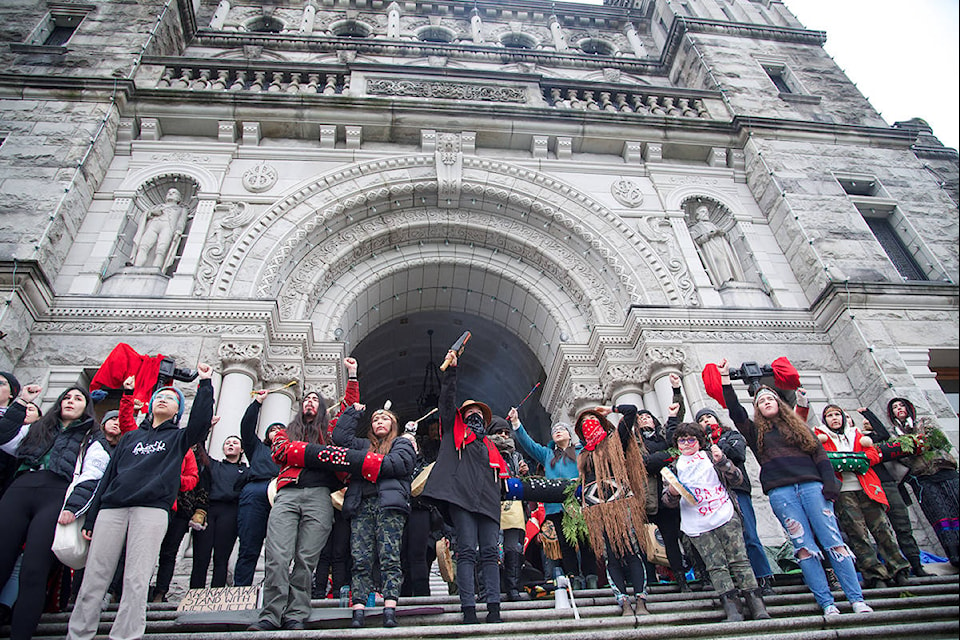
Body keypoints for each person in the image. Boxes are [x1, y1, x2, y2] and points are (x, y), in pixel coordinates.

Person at [66, 362, 215, 640]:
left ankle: (126, 635)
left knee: (136, 578)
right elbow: (108, 477)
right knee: (94, 578)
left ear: (177, 411)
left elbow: (200, 423)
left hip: (151, 510)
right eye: (160, 395)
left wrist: (205, 384)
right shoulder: (130, 437)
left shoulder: (180, 438)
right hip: (113, 508)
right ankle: (78, 634)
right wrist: (93, 514)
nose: (163, 398)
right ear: (150, 405)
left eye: (171, 398)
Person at [716, 358, 872, 616]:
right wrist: (725, 381)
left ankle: (856, 599)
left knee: (834, 542)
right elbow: (736, 412)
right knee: (804, 547)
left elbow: (820, 456)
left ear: (779, 403)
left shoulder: (801, 429)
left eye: (770, 399)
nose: (766, 402)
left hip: (812, 488)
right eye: (761, 402)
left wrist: (830, 485)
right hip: (782, 492)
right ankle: (827, 603)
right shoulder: (757, 433)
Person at [248, 358, 359, 631]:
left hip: (320, 497)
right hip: (287, 495)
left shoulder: (329, 431)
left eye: (315, 400)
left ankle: (296, 613)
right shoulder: (286, 432)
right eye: (306, 399)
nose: (310, 402)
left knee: (306, 559)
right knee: (277, 556)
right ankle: (270, 614)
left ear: (321, 408)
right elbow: (280, 452)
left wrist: (353, 375)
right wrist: (318, 455)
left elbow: (347, 408)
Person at [0, 383, 108, 640]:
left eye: (78, 398)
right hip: (21, 487)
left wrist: (73, 507)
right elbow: (4, 437)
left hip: (56, 496)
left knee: (34, 569)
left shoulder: (92, 436)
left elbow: (93, 474)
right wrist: (20, 403)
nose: (70, 401)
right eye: (66, 397)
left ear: (87, 407)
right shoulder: (36, 428)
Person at [419, 350, 510, 625]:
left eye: (478, 413)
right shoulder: (453, 433)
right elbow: (446, 403)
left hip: (488, 502)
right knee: (467, 551)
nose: (474, 415)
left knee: (491, 554)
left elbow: (502, 479)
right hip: (461, 501)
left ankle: (494, 607)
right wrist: (452, 372)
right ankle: (468, 607)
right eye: (469, 412)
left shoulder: (492, 447)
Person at [662, 422, 770, 622]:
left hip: (725, 514)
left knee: (740, 561)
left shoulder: (712, 456)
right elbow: (667, 502)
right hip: (697, 524)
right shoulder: (673, 468)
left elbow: (737, 480)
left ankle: (757, 605)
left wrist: (724, 462)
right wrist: (671, 492)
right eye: (682, 440)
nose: (686, 443)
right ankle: (732, 609)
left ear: (699, 441)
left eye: (691, 439)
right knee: (715, 566)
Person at [333, 403, 416, 628]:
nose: (379, 422)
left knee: (389, 556)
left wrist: (363, 463)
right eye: (375, 419)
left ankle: (390, 607)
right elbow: (339, 437)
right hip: (362, 504)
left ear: (393, 424)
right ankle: (359, 608)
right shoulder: (362, 445)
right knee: (360, 558)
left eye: (385, 418)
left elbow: (399, 464)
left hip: (389, 506)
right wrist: (353, 412)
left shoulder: (402, 443)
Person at [813, 404, 910, 588]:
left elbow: (873, 454)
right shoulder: (821, 438)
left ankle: (899, 570)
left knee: (883, 530)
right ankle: (875, 575)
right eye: (830, 415)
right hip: (844, 491)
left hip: (867, 488)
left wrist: (860, 460)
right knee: (858, 534)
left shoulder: (857, 434)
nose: (834, 418)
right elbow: (820, 459)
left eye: (837, 414)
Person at [575, 404, 652, 616]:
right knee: (611, 556)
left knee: (631, 550)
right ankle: (623, 601)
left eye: (591, 419)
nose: (587, 424)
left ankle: (641, 598)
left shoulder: (616, 440)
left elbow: (632, 411)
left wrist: (611, 408)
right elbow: (583, 483)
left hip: (621, 504)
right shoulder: (583, 454)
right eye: (583, 423)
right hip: (597, 509)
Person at [509, 409, 597, 591]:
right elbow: (529, 444)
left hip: (579, 503)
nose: (557, 431)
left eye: (562, 429)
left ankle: (591, 576)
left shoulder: (581, 451)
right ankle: (574, 576)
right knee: (565, 544)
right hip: (556, 506)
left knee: (584, 541)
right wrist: (516, 423)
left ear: (570, 435)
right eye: (555, 430)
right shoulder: (548, 455)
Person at [695, 407, 775, 595]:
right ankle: (739, 581)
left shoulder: (731, 436)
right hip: (716, 496)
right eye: (702, 419)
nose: (707, 421)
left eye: (709, 417)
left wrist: (717, 449)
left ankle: (763, 577)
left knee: (749, 535)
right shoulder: (700, 446)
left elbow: (738, 454)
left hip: (737, 490)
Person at [880, 397, 959, 567]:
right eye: (894, 407)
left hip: (945, 470)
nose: (899, 408)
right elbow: (900, 457)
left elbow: (938, 441)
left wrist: (914, 443)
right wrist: (909, 446)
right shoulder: (894, 434)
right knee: (940, 515)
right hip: (922, 479)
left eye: (901, 405)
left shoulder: (924, 422)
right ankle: (955, 555)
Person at [858, 404, 932, 576]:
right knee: (881, 529)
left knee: (902, 525)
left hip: (887, 483)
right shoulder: (849, 443)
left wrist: (868, 414)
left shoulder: (869, 439)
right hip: (867, 486)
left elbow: (883, 435)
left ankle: (916, 564)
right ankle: (895, 568)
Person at [633, 374, 689, 591]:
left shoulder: (664, 435)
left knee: (672, 538)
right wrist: (664, 457)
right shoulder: (634, 443)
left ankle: (682, 578)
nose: (644, 418)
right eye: (640, 417)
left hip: (669, 495)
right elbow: (641, 464)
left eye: (647, 416)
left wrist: (676, 390)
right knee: (644, 540)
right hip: (644, 497)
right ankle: (650, 581)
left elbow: (677, 420)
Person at [234, 391, 282, 587]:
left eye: (281, 428)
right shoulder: (257, 448)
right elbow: (246, 427)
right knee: (249, 545)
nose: (277, 430)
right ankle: (241, 590)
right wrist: (257, 403)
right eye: (273, 428)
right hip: (256, 491)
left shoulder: (291, 452)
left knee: (278, 549)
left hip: (280, 493)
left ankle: (273, 591)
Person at [487, 416, 529, 601]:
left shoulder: (516, 455)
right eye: (499, 432)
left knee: (513, 548)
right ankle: (493, 589)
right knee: (494, 548)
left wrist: (524, 474)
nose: (504, 436)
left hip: (513, 506)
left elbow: (524, 483)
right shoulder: (485, 451)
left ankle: (513, 588)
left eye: (506, 432)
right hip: (491, 504)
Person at [132, 187, 189, 270]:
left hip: (167, 228)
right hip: (153, 226)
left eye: (174, 193)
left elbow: (181, 222)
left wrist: (178, 231)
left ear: (178, 198)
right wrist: (151, 213)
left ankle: (155, 270)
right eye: (169, 192)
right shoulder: (157, 207)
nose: (170, 194)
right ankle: (135, 267)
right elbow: (145, 215)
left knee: (161, 250)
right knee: (143, 246)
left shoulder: (181, 209)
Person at [688, 204, 744, 285]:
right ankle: (723, 280)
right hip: (711, 247)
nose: (706, 214)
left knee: (726, 259)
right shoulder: (696, 227)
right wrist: (709, 235)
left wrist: (723, 233)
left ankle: (732, 278)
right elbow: (697, 240)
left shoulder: (714, 225)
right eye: (703, 212)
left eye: (706, 212)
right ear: (697, 216)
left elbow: (728, 238)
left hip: (722, 245)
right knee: (719, 260)